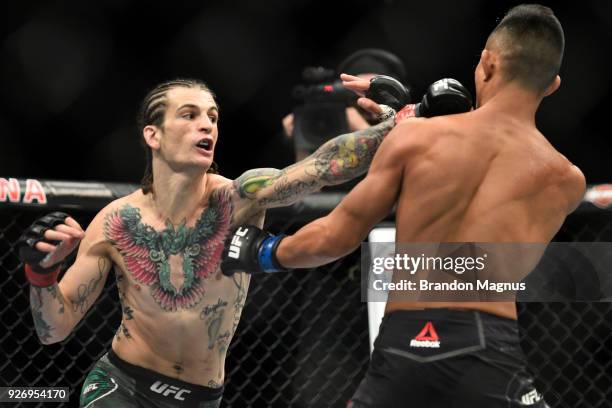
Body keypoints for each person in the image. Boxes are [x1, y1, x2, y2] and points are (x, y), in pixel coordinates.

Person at [222, 5, 586, 407]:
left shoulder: (416, 139)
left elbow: (334, 237)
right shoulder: (564, 180)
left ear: (486, 64)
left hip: (401, 348)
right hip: (487, 349)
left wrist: (262, 251)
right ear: (552, 85)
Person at [16, 76, 396, 407]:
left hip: (202, 397)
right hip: (122, 387)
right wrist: (41, 274)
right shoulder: (116, 222)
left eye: (213, 117)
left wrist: (395, 126)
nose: (207, 126)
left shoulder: (239, 198)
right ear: (153, 134)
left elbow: (322, 167)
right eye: (190, 115)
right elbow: (54, 329)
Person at [283, 49, 406, 161]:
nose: (366, 100)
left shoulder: (408, 124)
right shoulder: (333, 126)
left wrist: (364, 131)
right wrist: (304, 141)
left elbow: (403, 160)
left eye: (376, 93)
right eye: (357, 94)